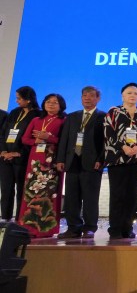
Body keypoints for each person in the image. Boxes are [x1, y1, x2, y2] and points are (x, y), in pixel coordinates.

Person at [56, 86, 105, 239]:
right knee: (71, 198)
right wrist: (60, 159)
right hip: (72, 161)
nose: (87, 98)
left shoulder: (104, 117)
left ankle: (90, 228)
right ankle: (73, 228)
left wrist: (101, 159)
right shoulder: (72, 117)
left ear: (98, 98)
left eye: (91, 96)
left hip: (92, 162)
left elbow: (106, 142)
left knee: (90, 198)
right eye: (84, 95)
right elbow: (64, 139)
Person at [104, 82, 137, 239]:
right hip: (117, 157)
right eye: (129, 93)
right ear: (122, 95)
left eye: (136, 93)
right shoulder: (113, 112)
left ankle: (127, 228)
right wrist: (123, 147)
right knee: (117, 194)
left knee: (132, 194)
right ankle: (115, 228)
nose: (133, 95)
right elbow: (108, 133)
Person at [18, 93, 67, 237]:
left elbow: (65, 141)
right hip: (35, 161)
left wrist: (49, 138)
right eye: (48, 102)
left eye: (55, 102)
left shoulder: (64, 120)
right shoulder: (36, 119)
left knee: (48, 193)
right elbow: (24, 139)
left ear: (61, 105)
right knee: (31, 193)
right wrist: (35, 141)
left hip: (52, 161)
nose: (51, 104)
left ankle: (46, 229)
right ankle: (28, 227)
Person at [0, 86, 40, 221]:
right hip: (6, 157)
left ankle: (20, 219)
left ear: (28, 99)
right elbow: (3, 133)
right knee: (6, 189)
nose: (17, 101)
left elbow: (32, 139)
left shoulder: (37, 115)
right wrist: (3, 151)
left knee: (22, 191)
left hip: (22, 159)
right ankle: (5, 218)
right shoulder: (14, 112)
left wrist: (18, 153)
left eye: (19, 98)